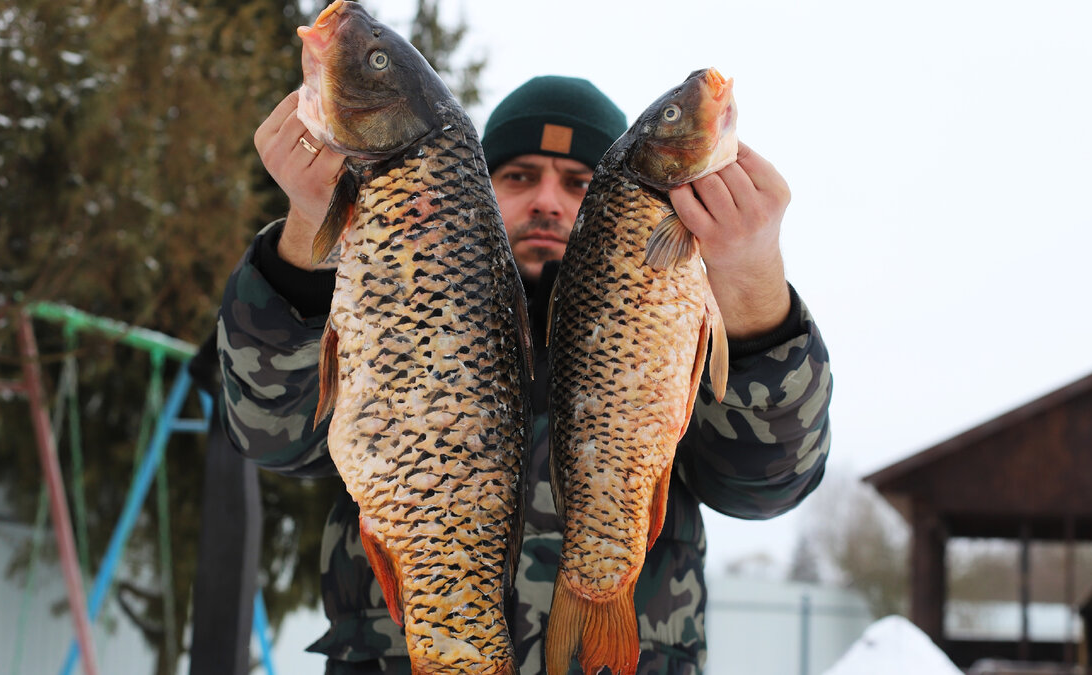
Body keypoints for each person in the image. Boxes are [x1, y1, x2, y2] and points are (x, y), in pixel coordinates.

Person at [216, 75, 832, 675]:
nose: (546, 200)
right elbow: (274, 435)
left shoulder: (666, 324)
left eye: (576, 182)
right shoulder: (397, 300)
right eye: (518, 176)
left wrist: (752, 279)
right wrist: (308, 231)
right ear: (475, 186)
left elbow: (766, 486)